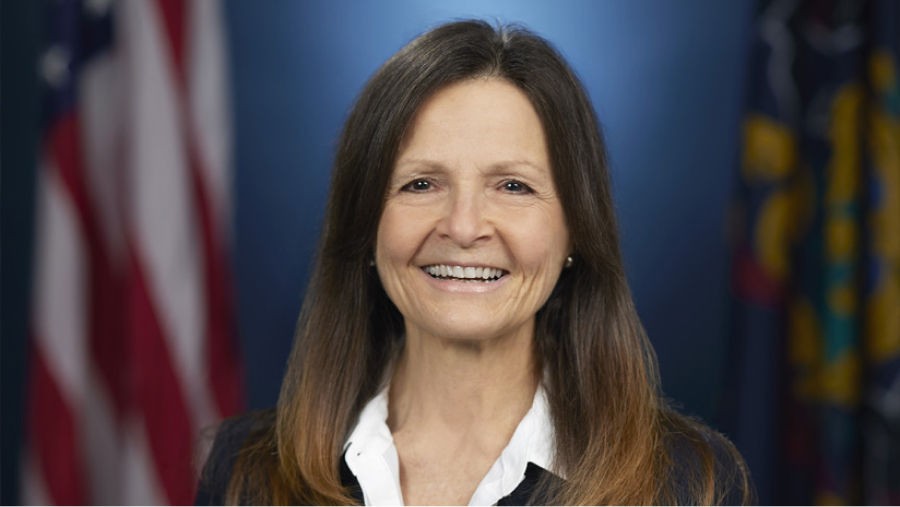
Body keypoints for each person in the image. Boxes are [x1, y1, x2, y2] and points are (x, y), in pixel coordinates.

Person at [196, 19, 754, 505]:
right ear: (365, 225)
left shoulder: (690, 486)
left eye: (513, 186)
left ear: (576, 231)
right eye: (420, 184)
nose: (463, 227)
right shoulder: (246, 477)